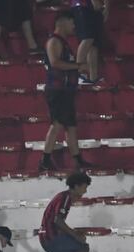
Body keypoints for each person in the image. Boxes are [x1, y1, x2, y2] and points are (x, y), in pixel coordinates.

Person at [40, 11, 90, 172]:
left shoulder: (64, 42)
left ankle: (78, 159)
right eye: (72, 22)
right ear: (62, 22)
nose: (74, 26)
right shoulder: (54, 41)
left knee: (70, 126)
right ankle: (45, 159)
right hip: (57, 90)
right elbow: (55, 62)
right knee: (57, 124)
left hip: (66, 90)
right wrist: (78, 66)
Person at [39, 172, 91, 252]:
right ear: (76, 186)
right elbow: (58, 221)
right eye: (84, 187)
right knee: (84, 248)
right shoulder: (65, 198)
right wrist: (75, 236)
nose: (85, 191)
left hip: (47, 238)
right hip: (50, 239)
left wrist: (74, 235)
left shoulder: (64, 197)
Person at [71, 0, 107, 84]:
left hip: (91, 9)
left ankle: (93, 77)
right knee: (87, 39)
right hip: (83, 6)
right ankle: (78, 73)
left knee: (93, 45)